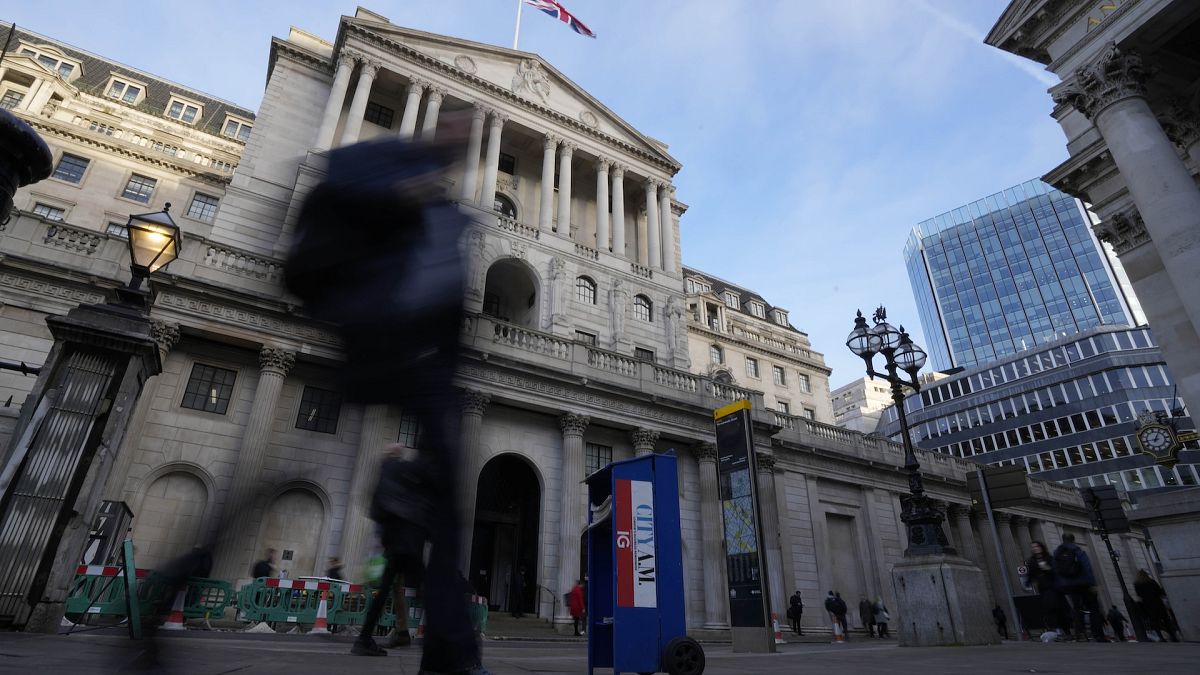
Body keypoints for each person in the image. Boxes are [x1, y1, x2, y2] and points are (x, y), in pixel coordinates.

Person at [289, 127, 487, 674]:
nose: (461, 143)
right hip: (380, 336)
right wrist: (401, 197)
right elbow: (332, 206)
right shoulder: (380, 166)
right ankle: (451, 652)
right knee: (442, 519)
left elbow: (444, 292)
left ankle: (449, 653)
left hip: (422, 354)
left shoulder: (441, 205)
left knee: (449, 512)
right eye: (458, 125)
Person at [1052, 533, 1109, 642]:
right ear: (1073, 540)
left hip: (1069, 585)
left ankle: (1079, 634)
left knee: (1076, 609)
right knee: (1093, 608)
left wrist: (1062, 584)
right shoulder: (1077, 550)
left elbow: (1055, 570)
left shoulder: (1057, 552)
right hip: (1084, 583)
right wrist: (1093, 583)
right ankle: (1098, 635)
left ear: (1063, 540)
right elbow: (1086, 566)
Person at [1021, 540, 1068, 639]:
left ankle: (1066, 631)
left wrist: (1049, 569)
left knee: (1058, 609)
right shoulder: (1032, 561)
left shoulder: (1049, 558)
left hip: (1054, 587)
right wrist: (1027, 583)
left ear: (1041, 547)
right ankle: (1054, 631)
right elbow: (1030, 575)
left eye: (1037, 546)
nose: (1035, 548)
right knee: (1049, 608)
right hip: (1043, 588)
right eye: (1033, 547)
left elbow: (1057, 571)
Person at [1134, 569, 1179, 642]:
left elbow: (1139, 595)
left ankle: (1161, 637)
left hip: (1148, 605)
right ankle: (1173, 636)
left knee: (1155, 622)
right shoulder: (1152, 582)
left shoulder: (1137, 584)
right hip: (1158, 603)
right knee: (1166, 620)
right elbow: (1159, 592)